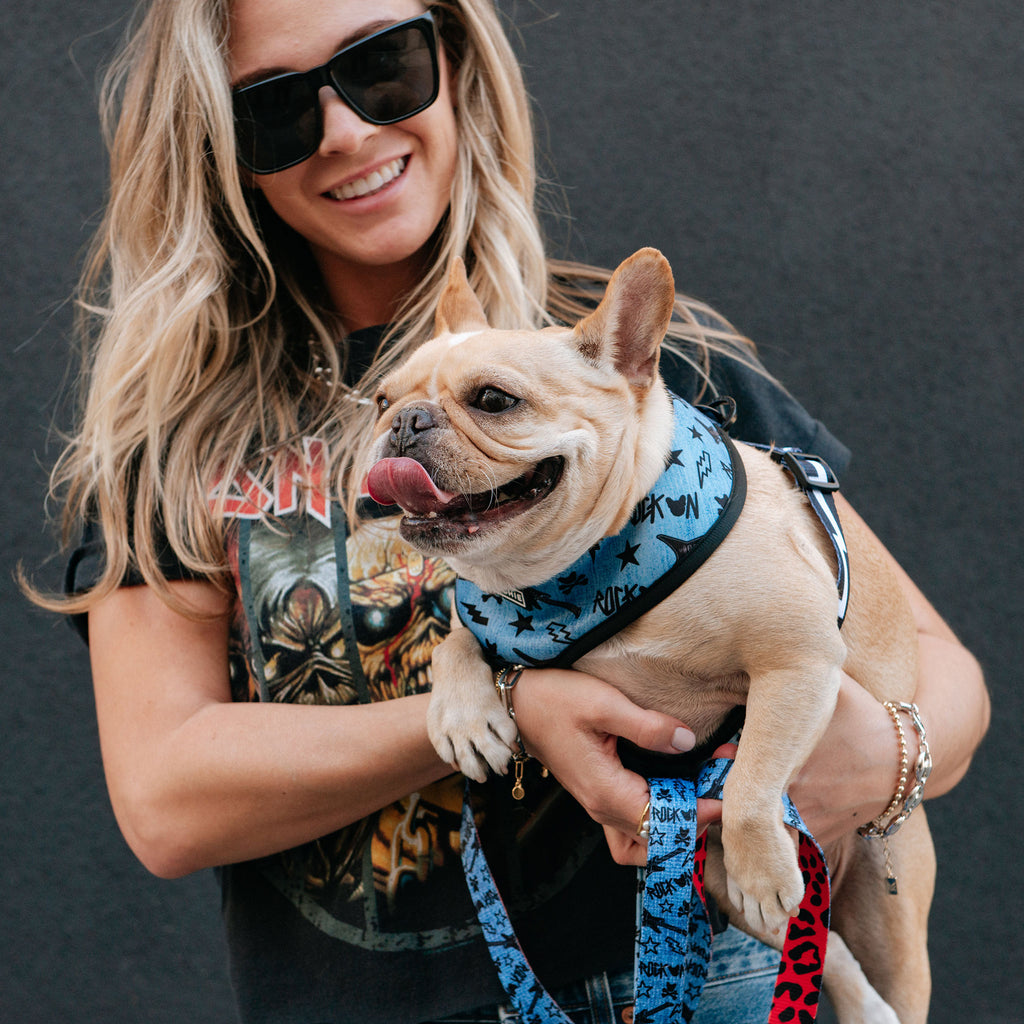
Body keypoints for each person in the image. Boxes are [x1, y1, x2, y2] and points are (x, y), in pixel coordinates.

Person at [32, 0, 988, 1021]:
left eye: (383, 66)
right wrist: (499, 707)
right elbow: (166, 802)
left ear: (455, 63)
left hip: (708, 983)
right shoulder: (176, 444)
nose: (346, 131)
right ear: (216, 150)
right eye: (275, 110)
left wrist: (882, 758)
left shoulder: (646, 378)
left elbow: (943, 674)